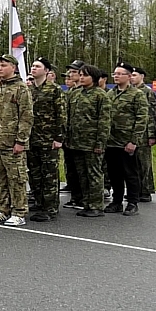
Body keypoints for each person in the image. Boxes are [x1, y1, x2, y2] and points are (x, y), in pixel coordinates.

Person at [0, 55, 33, 226]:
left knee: (16, 178)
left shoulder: (21, 89)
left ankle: (19, 211)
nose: (0, 69)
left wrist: (21, 141)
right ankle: (2, 209)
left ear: (14, 67)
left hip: (12, 143)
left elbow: (26, 117)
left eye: (3, 65)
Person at [65, 64, 112, 217]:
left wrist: (100, 143)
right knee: (82, 174)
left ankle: (96, 205)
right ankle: (86, 202)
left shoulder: (101, 95)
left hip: (92, 143)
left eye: (85, 75)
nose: (82, 78)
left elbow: (104, 121)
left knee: (94, 174)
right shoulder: (75, 94)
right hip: (76, 142)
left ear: (94, 78)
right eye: (81, 75)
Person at [104, 63, 148, 216]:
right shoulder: (110, 94)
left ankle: (132, 202)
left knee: (130, 173)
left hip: (127, 141)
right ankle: (116, 202)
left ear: (129, 76)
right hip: (111, 141)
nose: (116, 76)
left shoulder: (137, 95)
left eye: (120, 74)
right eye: (115, 73)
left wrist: (134, 141)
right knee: (114, 173)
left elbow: (142, 118)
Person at [27, 57, 66, 222]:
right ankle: (39, 201)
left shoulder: (54, 90)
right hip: (32, 139)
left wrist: (59, 137)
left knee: (49, 174)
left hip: (48, 139)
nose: (33, 68)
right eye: (33, 66)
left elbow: (62, 115)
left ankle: (50, 208)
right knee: (34, 174)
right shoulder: (29, 90)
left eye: (38, 66)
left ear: (47, 71)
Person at [131, 67, 156, 202]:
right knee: (133, 164)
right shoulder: (130, 91)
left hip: (145, 134)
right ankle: (136, 190)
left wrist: (152, 135)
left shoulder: (147, 92)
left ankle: (146, 191)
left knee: (144, 164)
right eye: (131, 75)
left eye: (135, 75)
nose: (132, 77)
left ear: (142, 76)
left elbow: (151, 115)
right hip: (133, 133)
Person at [61, 60, 85, 204]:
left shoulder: (86, 92)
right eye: (70, 72)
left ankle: (86, 198)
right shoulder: (71, 92)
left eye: (74, 72)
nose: (71, 75)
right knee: (72, 169)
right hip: (69, 137)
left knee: (83, 171)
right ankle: (76, 196)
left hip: (83, 138)